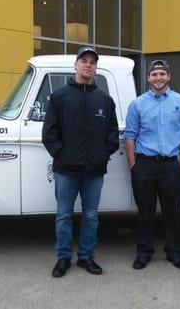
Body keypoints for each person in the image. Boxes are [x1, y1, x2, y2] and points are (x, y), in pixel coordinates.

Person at [42, 46, 119, 278]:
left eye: (92, 62)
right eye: (84, 61)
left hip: (94, 172)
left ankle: (86, 257)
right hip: (66, 171)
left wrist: (101, 157)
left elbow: (112, 135)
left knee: (91, 216)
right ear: (75, 65)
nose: (88, 65)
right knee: (63, 215)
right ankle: (63, 257)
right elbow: (49, 134)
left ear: (96, 67)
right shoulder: (59, 97)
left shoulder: (104, 100)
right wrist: (62, 156)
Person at [124, 60, 180, 270]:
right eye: (154, 74)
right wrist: (133, 166)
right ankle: (144, 252)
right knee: (144, 212)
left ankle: (175, 252)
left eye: (162, 74)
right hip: (144, 165)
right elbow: (130, 136)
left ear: (168, 76)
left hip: (171, 166)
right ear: (148, 78)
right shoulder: (137, 104)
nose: (158, 78)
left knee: (172, 211)